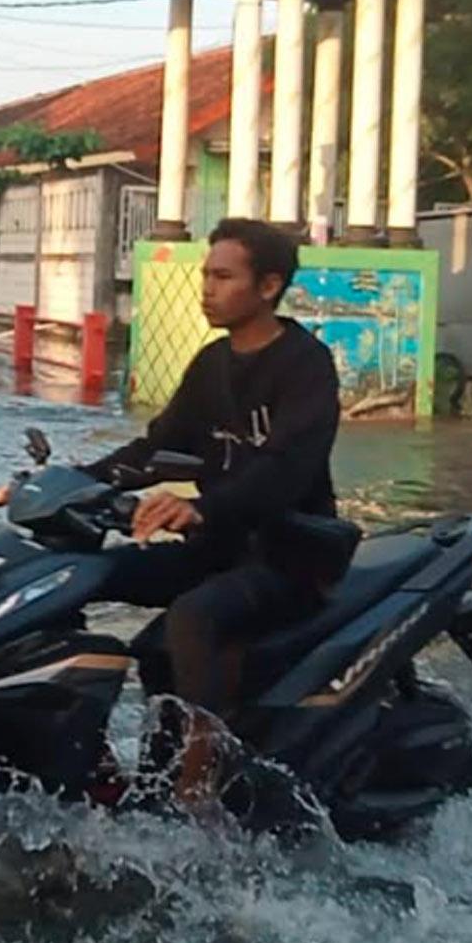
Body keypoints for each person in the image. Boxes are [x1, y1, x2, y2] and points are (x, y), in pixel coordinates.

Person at [54, 218, 343, 804]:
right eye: (204, 275)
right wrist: (66, 485)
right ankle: (88, 761)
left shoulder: (307, 365)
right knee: (82, 577)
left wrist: (204, 508)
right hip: (220, 549)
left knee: (190, 619)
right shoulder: (213, 363)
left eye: (222, 276)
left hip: (291, 555)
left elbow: (286, 469)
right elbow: (155, 449)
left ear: (267, 286)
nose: (206, 288)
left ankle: (201, 780)